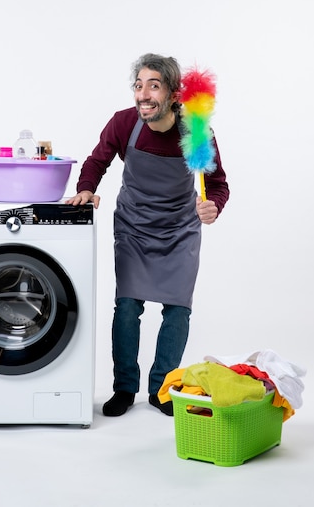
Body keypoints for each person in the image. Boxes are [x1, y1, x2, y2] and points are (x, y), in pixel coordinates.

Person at [66, 53, 229, 417]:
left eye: (153, 86)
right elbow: (97, 161)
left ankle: (162, 389)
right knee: (127, 306)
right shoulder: (124, 123)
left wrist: (213, 205)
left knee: (178, 310)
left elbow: (217, 184)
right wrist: (87, 188)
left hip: (180, 229)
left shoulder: (196, 132)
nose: (143, 94)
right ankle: (124, 388)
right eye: (138, 86)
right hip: (134, 227)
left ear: (173, 94)